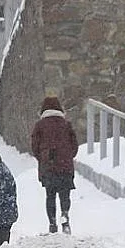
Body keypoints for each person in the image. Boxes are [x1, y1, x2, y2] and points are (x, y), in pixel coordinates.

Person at [31, 96, 78, 234]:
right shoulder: (66, 124)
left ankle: (52, 222)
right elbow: (74, 145)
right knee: (65, 194)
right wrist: (67, 156)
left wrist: (43, 158)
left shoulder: (40, 125)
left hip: (49, 166)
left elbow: (34, 146)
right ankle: (65, 215)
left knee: (50, 195)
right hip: (65, 166)